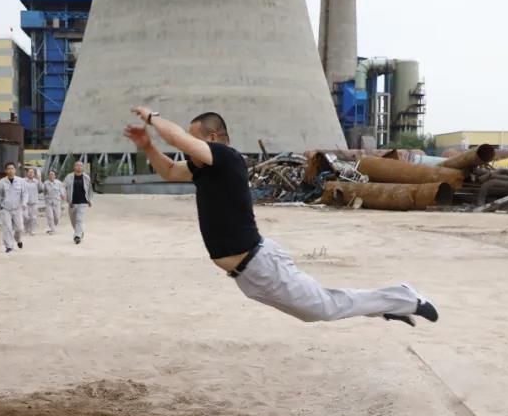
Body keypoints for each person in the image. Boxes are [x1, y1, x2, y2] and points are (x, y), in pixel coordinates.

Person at [123, 107, 439, 326]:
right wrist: (148, 145)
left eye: (196, 140)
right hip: (249, 275)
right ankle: (389, 303)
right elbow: (167, 170)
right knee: (318, 309)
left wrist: (153, 118)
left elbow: (179, 140)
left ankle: (402, 298)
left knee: (324, 309)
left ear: (215, 137)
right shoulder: (203, 168)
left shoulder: (226, 157)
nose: (190, 149)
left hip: (260, 265)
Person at [0, 162, 26, 252]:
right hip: (6, 209)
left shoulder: (21, 181)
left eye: (12, 168)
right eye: (8, 169)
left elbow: (24, 193)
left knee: (19, 228)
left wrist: (24, 203)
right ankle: (9, 246)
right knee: (7, 228)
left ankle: (18, 239)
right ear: (5, 171)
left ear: (15, 170)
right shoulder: (2, 182)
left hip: (17, 208)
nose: (10, 170)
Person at [63, 161, 93, 244]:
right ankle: (80, 232)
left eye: (80, 165)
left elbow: (90, 189)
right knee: (73, 221)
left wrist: (89, 200)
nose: (79, 167)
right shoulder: (69, 177)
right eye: (77, 165)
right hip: (72, 202)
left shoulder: (86, 177)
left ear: (83, 167)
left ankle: (77, 236)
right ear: (74, 167)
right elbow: (63, 186)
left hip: (83, 202)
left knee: (79, 219)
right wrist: (63, 194)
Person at [42, 170, 65, 234]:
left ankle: (53, 225)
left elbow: (62, 191)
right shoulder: (45, 183)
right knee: (50, 216)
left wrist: (63, 196)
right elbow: (43, 191)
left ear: (55, 176)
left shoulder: (59, 183)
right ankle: (52, 229)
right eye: (50, 174)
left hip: (57, 202)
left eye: (52, 174)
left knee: (57, 217)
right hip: (48, 202)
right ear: (48, 176)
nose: (51, 176)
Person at [23, 167, 41, 236]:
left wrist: (39, 179)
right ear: (27, 173)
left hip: (34, 202)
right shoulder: (23, 181)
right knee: (25, 216)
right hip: (25, 202)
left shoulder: (36, 181)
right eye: (29, 172)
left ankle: (33, 230)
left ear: (34, 174)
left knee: (33, 217)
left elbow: (41, 188)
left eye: (32, 172)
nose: (31, 173)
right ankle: (27, 228)